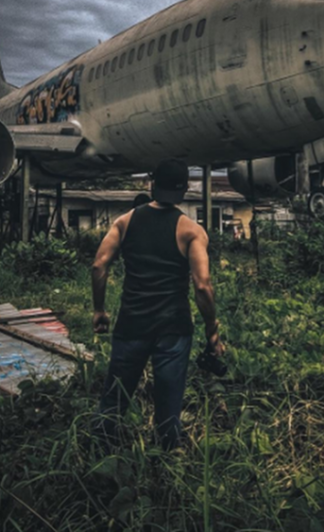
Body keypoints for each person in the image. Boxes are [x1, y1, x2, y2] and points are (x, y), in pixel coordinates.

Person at [91, 159, 224, 450]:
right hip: (173, 328)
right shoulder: (192, 231)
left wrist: (100, 310)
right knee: (168, 406)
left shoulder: (125, 221)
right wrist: (212, 330)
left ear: (152, 184)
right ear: (185, 190)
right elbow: (202, 286)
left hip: (131, 324)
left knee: (113, 400)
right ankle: (165, 463)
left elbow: (99, 266)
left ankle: (97, 456)